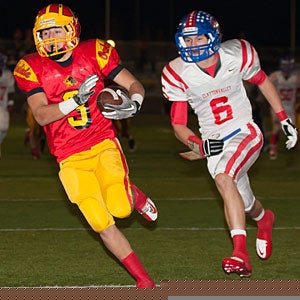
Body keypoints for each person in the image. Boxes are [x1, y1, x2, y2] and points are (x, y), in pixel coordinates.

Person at [14, 4, 157, 288]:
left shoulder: (94, 53)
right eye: (46, 33)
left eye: (56, 30)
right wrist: (75, 100)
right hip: (68, 157)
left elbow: (134, 85)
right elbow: (42, 115)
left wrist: (134, 104)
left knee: (121, 208)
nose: (51, 37)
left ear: (72, 28)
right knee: (98, 221)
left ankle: (135, 197)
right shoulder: (31, 67)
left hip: (102, 144)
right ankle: (144, 281)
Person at [161, 10, 298, 278]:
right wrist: (197, 144)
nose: (192, 45)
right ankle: (264, 219)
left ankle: (240, 254)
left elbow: (262, 81)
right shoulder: (177, 72)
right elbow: (178, 124)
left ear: (213, 36)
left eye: (198, 38)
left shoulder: (237, 54)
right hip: (214, 142)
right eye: (187, 41)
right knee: (245, 203)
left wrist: (284, 118)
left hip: (243, 131)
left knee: (225, 179)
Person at [268, 55, 300, 159]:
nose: (286, 68)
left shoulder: (296, 77)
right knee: (276, 127)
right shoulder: (275, 76)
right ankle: (273, 149)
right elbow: (266, 87)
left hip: (290, 107)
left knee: (293, 129)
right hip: (278, 106)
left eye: (288, 66)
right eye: (285, 66)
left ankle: (295, 145)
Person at [0, 52, 15, 158]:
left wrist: (10, 103)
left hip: (3, 105)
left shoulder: (7, 75)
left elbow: (11, 90)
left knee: (4, 127)